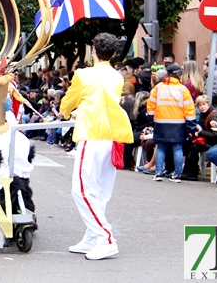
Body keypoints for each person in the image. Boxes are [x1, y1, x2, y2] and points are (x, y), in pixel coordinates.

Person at [59, 33, 133, 261]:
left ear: (93, 51)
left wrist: (65, 112)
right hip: (113, 135)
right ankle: (92, 237)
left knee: (81, 190)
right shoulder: (117, 77)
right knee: (100, 192)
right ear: (113, 54)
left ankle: (106, 238)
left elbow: (69, 100)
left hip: (91, 132)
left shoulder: (83, 74)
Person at [147, 63, 195, 182]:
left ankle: (158, 172)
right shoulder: (183, 89)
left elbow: (150, 105)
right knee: (177, 148)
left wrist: (151, 119)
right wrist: (191, 127)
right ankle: (177, 174)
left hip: (161, 122)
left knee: (161, 147)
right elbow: (189, 109)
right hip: (178, 124)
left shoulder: (158, 88)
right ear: (178, 75)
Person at [181, 97, 217, 180]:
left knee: (194, 148)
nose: (202, 107)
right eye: (199, 105)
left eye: (204, 104)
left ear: (208, 104)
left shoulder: (214, 115)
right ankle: (187, 170)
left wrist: (200, 133)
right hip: (207, 139)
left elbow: (216, 135)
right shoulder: (203, 114)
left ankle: (193, 172)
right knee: (187, 144)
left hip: (215, 141)